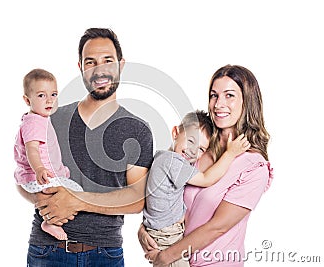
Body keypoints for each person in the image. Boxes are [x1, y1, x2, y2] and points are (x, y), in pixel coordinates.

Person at [17, 28, 154, 266]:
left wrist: (78, 201)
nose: (99, 70)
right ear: (80, 67)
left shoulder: (137, 130)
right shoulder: (51, 119)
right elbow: (23, 175)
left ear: (121, 64)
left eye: (107, 61)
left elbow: (136, 199)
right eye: (90, 62)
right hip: (47, 251)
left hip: (105, 254)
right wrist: (41, 200)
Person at [138, 64, 273, 267]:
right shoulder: (195, 150)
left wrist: (166, 256)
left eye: (229, 95)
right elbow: (163, 194)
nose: (219, 104)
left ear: (247, 101)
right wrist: (145, 230)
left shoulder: (254, 167)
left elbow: (217, 227)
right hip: (177, 258)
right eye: (214, 95)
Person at [143, 110, 250, 267]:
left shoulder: (164, 157)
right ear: (175, 133)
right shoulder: (173, 162)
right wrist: (230, 153)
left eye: (201, 149)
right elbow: (207, 179)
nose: (193, 151)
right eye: (190, 141)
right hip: (168, 236)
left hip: (166, 232)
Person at [14, 68, 83, 240]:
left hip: (40, 174)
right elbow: (32, 150)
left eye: (53, 94)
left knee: (70, 194)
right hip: (38, 177)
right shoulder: (34, 123)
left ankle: (52, 220)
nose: (49, 100)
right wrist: (39, 169)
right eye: (41, 95)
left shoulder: (39, 118)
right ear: (27, 100)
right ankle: (50, 222)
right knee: (75, 193)